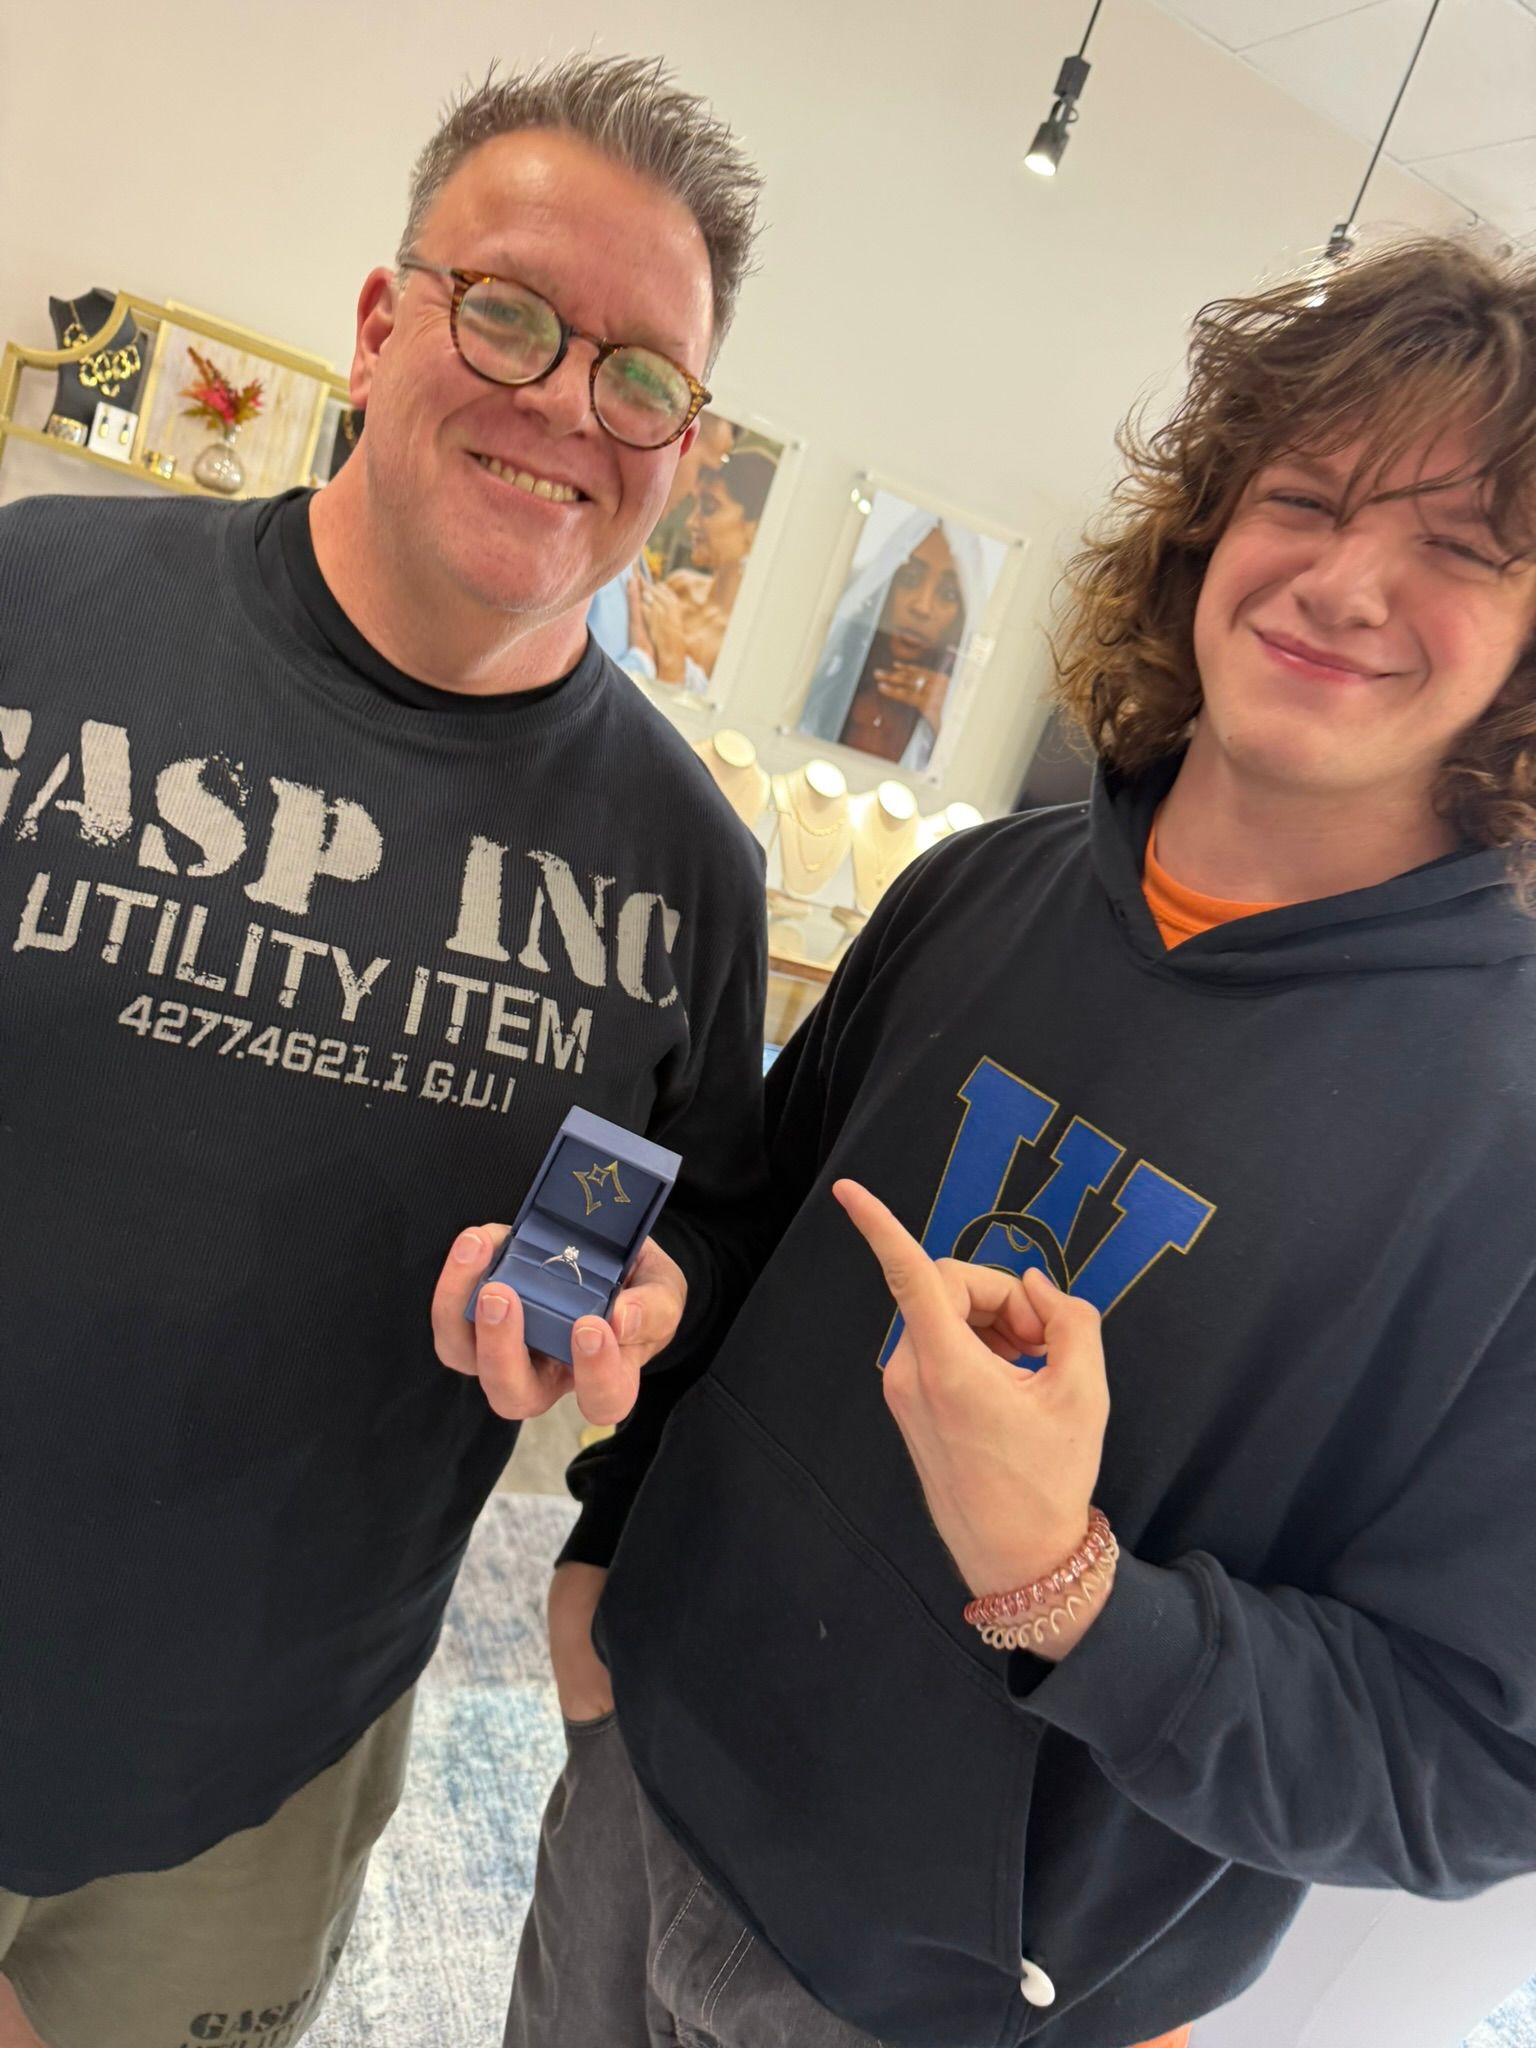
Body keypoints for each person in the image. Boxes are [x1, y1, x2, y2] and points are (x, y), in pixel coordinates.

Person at [445, 235, 1536, 2048]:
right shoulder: (985, 886)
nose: (1347, 583)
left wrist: (1073, 1591)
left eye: (1461, 547)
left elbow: (1474, 1762)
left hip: (954, 2007)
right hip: (642, 1776)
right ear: (1207, 529)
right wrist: (608, 1529)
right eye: (1306, 498)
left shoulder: (1506, 1130)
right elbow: (752, 1226)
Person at [0, 53, 766, 2048]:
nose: (566, 403)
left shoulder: (688, 868)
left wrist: (639, 1318)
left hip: (264, 1771)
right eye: (507, 312)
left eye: (641, 375)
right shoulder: (30, 612)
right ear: (378, 321)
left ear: (684, 447)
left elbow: (695, 1240)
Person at [798, 509, 984, 769]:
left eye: (948, 595)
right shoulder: (822, 679)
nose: (922, 607)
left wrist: (946, 726)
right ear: (885, 584)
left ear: (961, 614)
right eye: (909, 579)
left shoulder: (963, 716)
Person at [629, 446, 778, 689]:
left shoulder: (746, 644)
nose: (691, 522)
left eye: (709, 507)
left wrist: (673, 659)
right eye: (695, 505)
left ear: (757, 527)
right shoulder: (678, 586)